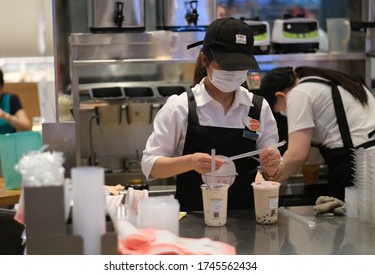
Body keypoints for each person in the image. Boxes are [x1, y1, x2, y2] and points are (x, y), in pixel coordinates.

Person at [141, 18, 282, 212]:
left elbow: (271, 172)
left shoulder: (258, 108)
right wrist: (190, 162)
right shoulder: (181, 107)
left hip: (245, 221)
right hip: (192, 220)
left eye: (240, 66)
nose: (234, 73)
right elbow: (150, 166)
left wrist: (273, 166)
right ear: (205, 59)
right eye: (227, 65)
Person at [258, 66, 375, 201]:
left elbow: (297, 155)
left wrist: (267, 178)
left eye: (277, 110)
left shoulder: (299, 93)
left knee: (354, 219)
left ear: (280, 96)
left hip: (358, 168)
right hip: (366, 162)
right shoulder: (331, 80)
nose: (282, 115)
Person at [0, 65, 32, 135]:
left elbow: (27, 126)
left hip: (9, 143)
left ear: (1, 87)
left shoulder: (11, 99)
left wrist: (5, 116)